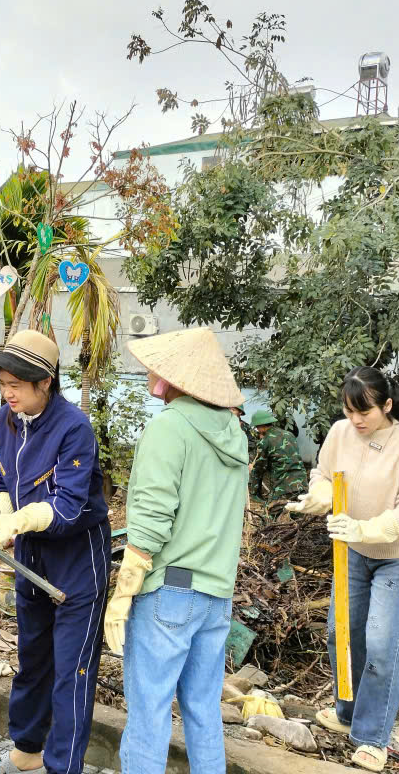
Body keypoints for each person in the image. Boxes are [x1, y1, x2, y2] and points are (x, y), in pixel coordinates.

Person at [0, 329, 111, 774]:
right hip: (31, 557)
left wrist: (21, 520)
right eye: (3, 384)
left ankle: (63, 768)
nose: (7, 394)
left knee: (72, 673)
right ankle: (26, 755)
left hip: (77, 559)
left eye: (15, 386)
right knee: (32, 661)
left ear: (45, 381)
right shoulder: (6, 422)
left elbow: (67, 506)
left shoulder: (73, 428)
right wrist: (2, 504)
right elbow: (3, 478)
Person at [103, 328, 248, 774]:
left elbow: (150, 521)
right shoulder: (235, 433)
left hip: (170, 591)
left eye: (158, 366)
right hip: (217, 594)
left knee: (149, 712)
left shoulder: (169, 427)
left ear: (177, 378)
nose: (151, 371)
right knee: (203, 712)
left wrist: (123, 593)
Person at [287, 367, 399, 773]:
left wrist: (366, 527)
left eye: (365, 412)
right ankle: (346, 712)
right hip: (351, 552)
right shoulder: (340, 433)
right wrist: (319, 494)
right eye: (349, 410)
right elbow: (322, 472)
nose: (356, 420)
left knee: (383, 645)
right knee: (343, 634)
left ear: (387, 405)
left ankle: (372, 737)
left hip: (398, 557)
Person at [247, 409, 308, 503]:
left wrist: (255, 493)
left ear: (262, 426)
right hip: (301, 484)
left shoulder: (265, 441)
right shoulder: (289, 435)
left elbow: (259, 469)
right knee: (298, 513)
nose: (257, 430)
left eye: (257, 427)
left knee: (273, 514)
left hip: (282, 488)